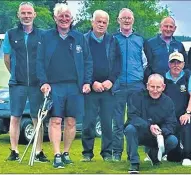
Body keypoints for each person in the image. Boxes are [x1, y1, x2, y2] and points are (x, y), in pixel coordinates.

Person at [36, 3, 92, 169]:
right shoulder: (46, 37)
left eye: (67, 16)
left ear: (72, 19)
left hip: (75, 87)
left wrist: (87, 82)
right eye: (61, 16)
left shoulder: (79, 38)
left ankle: (66, 153)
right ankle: (57, 154)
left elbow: (88, 61)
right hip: (54, 86)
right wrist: (43, 82)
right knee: (55, 120)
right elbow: (39, 62)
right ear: (55, 18)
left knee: (71, 122)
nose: (64, 19)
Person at [3, 2, 48, 162]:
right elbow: (7, 59)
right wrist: (16, 73)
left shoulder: (42, 34)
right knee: (15, 117)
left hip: (37, 84)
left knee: (38, 118)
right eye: (23, 13)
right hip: (17, 84)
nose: (26, 16)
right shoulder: (10, 34)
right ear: (18, 15)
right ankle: (14, 151)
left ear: (34, 15)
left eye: (29, 13)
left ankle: (38, 152)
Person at [81, 10, 121, 162]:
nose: (101, 24)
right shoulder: (83, 40)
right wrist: (91, 82)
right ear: (92, 22)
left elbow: (118, 63)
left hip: (107, 89)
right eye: (99, 21)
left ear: (108, 24)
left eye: (104, 22)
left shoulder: (112, 41)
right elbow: (80, 64)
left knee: (106, 123)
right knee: (89, 122)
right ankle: (87, 153)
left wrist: (110, 81)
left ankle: (106, 153)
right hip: (90, 88)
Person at [112, 8, 147, 161]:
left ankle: (132, 153)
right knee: (117, 122)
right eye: (123, 18)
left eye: (129, 18)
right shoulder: (113, 39)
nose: (126, 20)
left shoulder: (140, 39)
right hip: (118, 85)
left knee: (134, 121)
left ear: (133, 20)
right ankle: (117, 153)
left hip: (136, 85)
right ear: (118, 20)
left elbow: (145, 62)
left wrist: (138, 75)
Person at [124, 74, 178, 174]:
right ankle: (134, 163)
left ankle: (154, 156)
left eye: (158, 87)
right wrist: (149, 126)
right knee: (129, 129)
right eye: (152, 87)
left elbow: (171, 123)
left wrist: (161, 132)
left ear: (163, 87)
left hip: (158, 135)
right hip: (141, 132)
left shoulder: (168, 102)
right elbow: (132, 117)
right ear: (147, 86)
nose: (155, 90)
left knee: (173, 140)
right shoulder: (136, 97)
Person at [162, 52, 191, 166]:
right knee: (174, 157)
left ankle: (188, 156)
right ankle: (161, 153)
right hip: (168, 117)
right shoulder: (163, 77)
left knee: (187, 124)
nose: (176, 65)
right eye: (173, 62)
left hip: (183, 114)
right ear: (169, 64)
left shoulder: (188, 75)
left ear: (183, 64)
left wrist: (188, 113)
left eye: (179, 63)